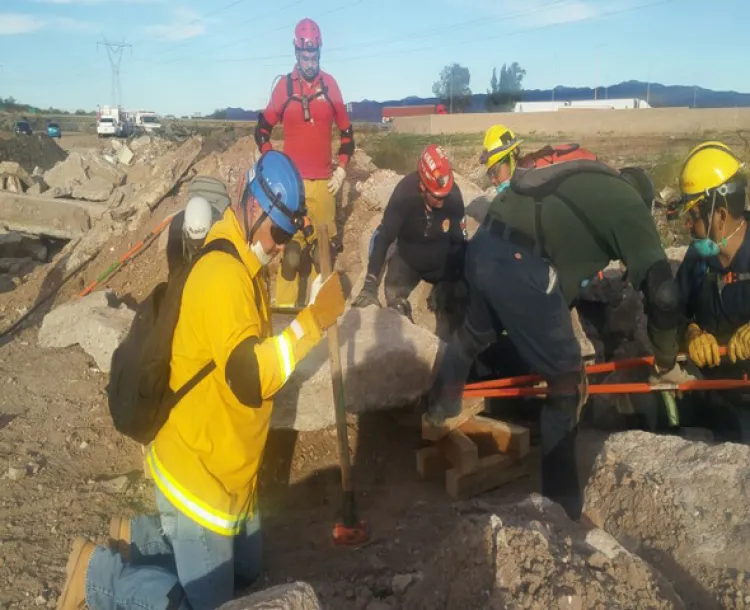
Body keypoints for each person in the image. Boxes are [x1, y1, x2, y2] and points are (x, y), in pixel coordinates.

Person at [56, 150, 346, 610]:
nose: (279, 245)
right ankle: (98, 576)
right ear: (255, 209)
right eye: (279, 232)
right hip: (200, 472)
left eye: (290, 235)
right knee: (204, 604)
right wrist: (312, 322)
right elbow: (250, 378)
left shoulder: (243, 263)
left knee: (247, 569)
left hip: (232, 469)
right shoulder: (223, 276)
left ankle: (139, 536)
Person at [424, 125, 690, 520]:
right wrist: (666, 361)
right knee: (567, 383)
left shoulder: (588, 181)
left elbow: (559, 287)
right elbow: (664, 294)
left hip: (483, 250)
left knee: (472, 335)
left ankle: (437, 411)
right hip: (519, 264)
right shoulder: (630, 206)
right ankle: (560, 511)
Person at [254, 17, 355, 309]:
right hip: (291, 188)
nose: (309, 61)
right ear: (296, 53)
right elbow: (261, 130)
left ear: (319, 53)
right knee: (290, 255)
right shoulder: (284, 88)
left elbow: (348, 133)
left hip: (324, 186)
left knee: (320, 255)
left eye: (313, 56)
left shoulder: (330, 86)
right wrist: (272, 160)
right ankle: (285, 315)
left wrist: (342, 168)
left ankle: (317, 319)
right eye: (304, 56)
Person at [673, 141, 750, 440]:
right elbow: (675, 311)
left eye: (694, 216)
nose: (689, 226)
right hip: (717, 394)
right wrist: (689, 331)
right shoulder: (697, 259)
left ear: (719, 215)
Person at [352, 144, 468, 337]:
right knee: (392, 295)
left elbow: (460, 245)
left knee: (461, 300)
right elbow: (384, 237)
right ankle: (405, 322)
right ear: (422, 185)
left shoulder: (453, 198)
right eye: (436, 196)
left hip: (442, 264)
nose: (442, 201)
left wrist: (450, 283)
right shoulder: (405, 194)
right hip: (408, 261)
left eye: (444, 195)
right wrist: (370, 283)